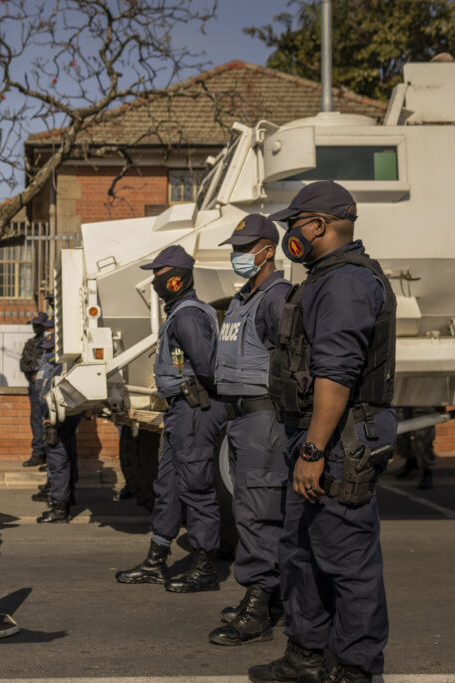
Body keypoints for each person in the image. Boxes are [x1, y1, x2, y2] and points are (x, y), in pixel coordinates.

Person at [250, 181, 396, 683]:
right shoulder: (324, 278)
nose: (289, 231)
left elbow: (338, 374)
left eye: (294, 222)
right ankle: (306, 655)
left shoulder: (346, 283)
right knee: (301, 552)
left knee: (347, 561)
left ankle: (356, 668)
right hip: (315, 441)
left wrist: (313, 449)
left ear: (317, 225)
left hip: (338, 444)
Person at [116, 245, 226, 593]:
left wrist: (192, 395)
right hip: (181, 411)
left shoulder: (188, 316)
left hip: (194, 410)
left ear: (176, 279)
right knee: (168, 487)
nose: (154, 281)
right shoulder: (179, 314)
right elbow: (183, 361)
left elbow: (207, 368)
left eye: (159, 275)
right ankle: (156, 561)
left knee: (196, 488)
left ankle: (205, 565)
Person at [207, 214, 291, 647]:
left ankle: (258, 608)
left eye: (244, 248)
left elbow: (298, 362)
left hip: (263, 419)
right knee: (247, 509)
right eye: (235, 248)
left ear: (266, 250)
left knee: (258, 513)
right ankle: (267, 595)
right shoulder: (244, 299)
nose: (238, 255)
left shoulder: (277, 298)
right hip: (239, 418)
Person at [34, 336, 83, 523]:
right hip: (63, 414)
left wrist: (47, 418)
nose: (47, 353)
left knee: (58, 462)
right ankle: (66, 500)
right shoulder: (65, 363)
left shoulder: (61, 364)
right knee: (65, 457)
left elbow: (51, 393)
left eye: (50, 349)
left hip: (58, 416)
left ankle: (60, 508)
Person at [21, 312, 52, 469]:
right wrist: (33, 375)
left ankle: (49, 453)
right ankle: (38, 452)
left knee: (50, 419)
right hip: (35, 387)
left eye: (38, 324)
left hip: (49, 383)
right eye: (34, 324)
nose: (36, 327)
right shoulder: (30, 343)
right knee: (36, 418)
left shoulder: (50, 341)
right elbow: (24, 364)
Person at [393, 407, 436, 490]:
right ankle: (411, 461)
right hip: (403, 398)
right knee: (400, 432)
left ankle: (427, 471)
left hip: (424, 400)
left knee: (423, 435)